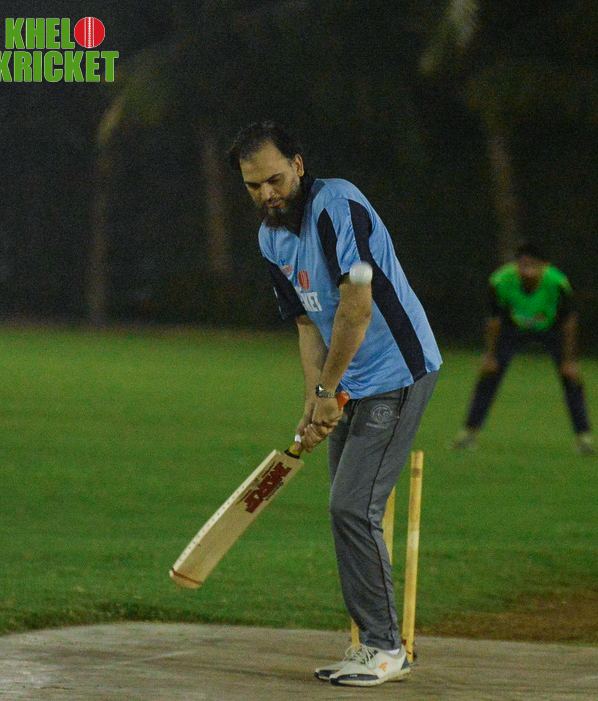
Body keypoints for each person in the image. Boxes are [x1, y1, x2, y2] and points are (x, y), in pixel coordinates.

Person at [228, 121, 442, 687]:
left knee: (353, 507)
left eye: (275, 180)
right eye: (253, 186)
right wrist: (313, 398)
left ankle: (385, 648)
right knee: (346, 510)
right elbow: (307, 323)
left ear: (298, 165)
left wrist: (329, 392)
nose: (267, 194)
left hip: (397, 371)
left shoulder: (339, 206)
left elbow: (356, 306)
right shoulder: (271, 239)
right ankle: (373, 643)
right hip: (348, 381)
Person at [450, 242, 594, 455]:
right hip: (513, 327)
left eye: (533, 265)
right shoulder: (501, 280)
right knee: (489, 375)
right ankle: (468, 434)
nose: (527, 270)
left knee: (571, 379)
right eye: (523, 265)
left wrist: (569, 360)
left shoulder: (557, 282)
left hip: (551, 328)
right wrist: (490, 356)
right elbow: (494, 320)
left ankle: (584, 438)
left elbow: (569, 321)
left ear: (544, 266)